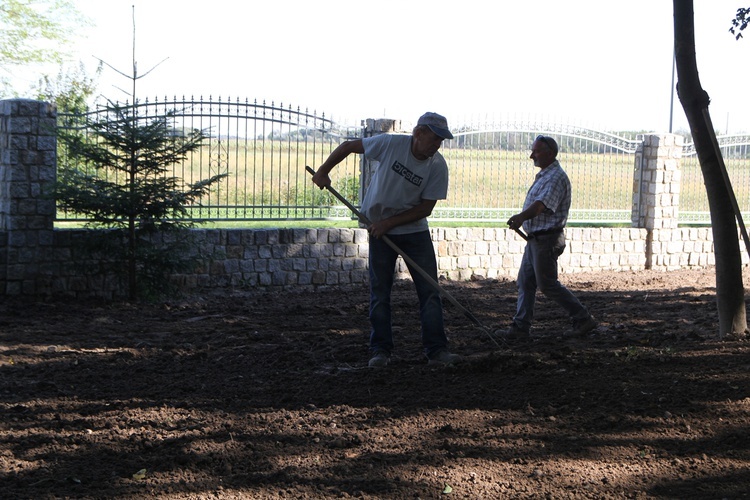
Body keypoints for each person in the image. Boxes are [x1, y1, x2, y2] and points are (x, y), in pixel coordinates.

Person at [312, 112, 460, 367]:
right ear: (418, 133)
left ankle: (437, 351)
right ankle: (380, 350)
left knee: (430, 291)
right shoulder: (391, 144)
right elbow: (348, 146)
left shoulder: (437, 166)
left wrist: (387, 224)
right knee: (380, 292)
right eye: (434, 138)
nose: (437, 145)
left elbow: (425, 209)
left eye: (441, 141)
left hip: (413, 233)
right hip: (379, 231)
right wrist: (323, 171)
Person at [502, 134, 597, 340]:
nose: (531, 156)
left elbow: (540, 206)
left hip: (546, 240)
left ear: (550, 153)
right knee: (526, 282)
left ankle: (582, 318)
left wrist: (520, 217)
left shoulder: (555, 178)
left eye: (536, 151)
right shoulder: (548, 175)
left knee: (547, 284)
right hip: (537, 239)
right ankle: (520, 327)